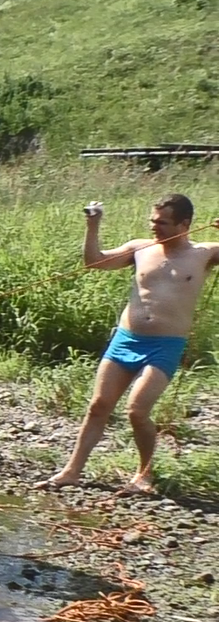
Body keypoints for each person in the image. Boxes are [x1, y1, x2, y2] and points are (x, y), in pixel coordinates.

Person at [38, 195, 219, 494]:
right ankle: (71, 471)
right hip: (126, 340)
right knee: (98, 406)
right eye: (153, 220)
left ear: (185, 224)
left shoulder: (205, 253)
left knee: (136, 411)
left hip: (166, 344)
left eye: (162, 223)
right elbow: (93, 261)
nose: (154, 227)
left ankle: (143, 475)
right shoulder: (140, 248)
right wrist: (92, 224)